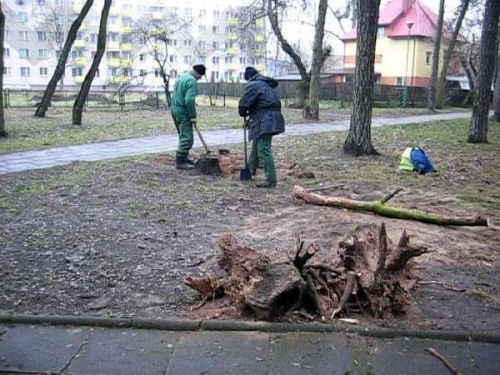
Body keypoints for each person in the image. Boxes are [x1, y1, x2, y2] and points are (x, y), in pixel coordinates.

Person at [238, 66, 285, 188]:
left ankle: (270, 180)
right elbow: (261, 103)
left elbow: (244, 103)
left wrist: (243, 112)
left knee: (263, 149)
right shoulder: (266, 84)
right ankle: (251, 169)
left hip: (266, 119)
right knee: (256, 145)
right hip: (271, 117)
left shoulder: (254, 85)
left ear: (248, 78)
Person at [171, 64, 206, 170]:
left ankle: (184, 158)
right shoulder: (192, 81)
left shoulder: (182, 77)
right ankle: (180, 162)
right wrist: (193, 116)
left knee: (182, 135)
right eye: (201, 76)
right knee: (187, 138)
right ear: (198, 73)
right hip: (183, 112)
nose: (200, 78)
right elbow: (189, 100)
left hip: (174, 109)